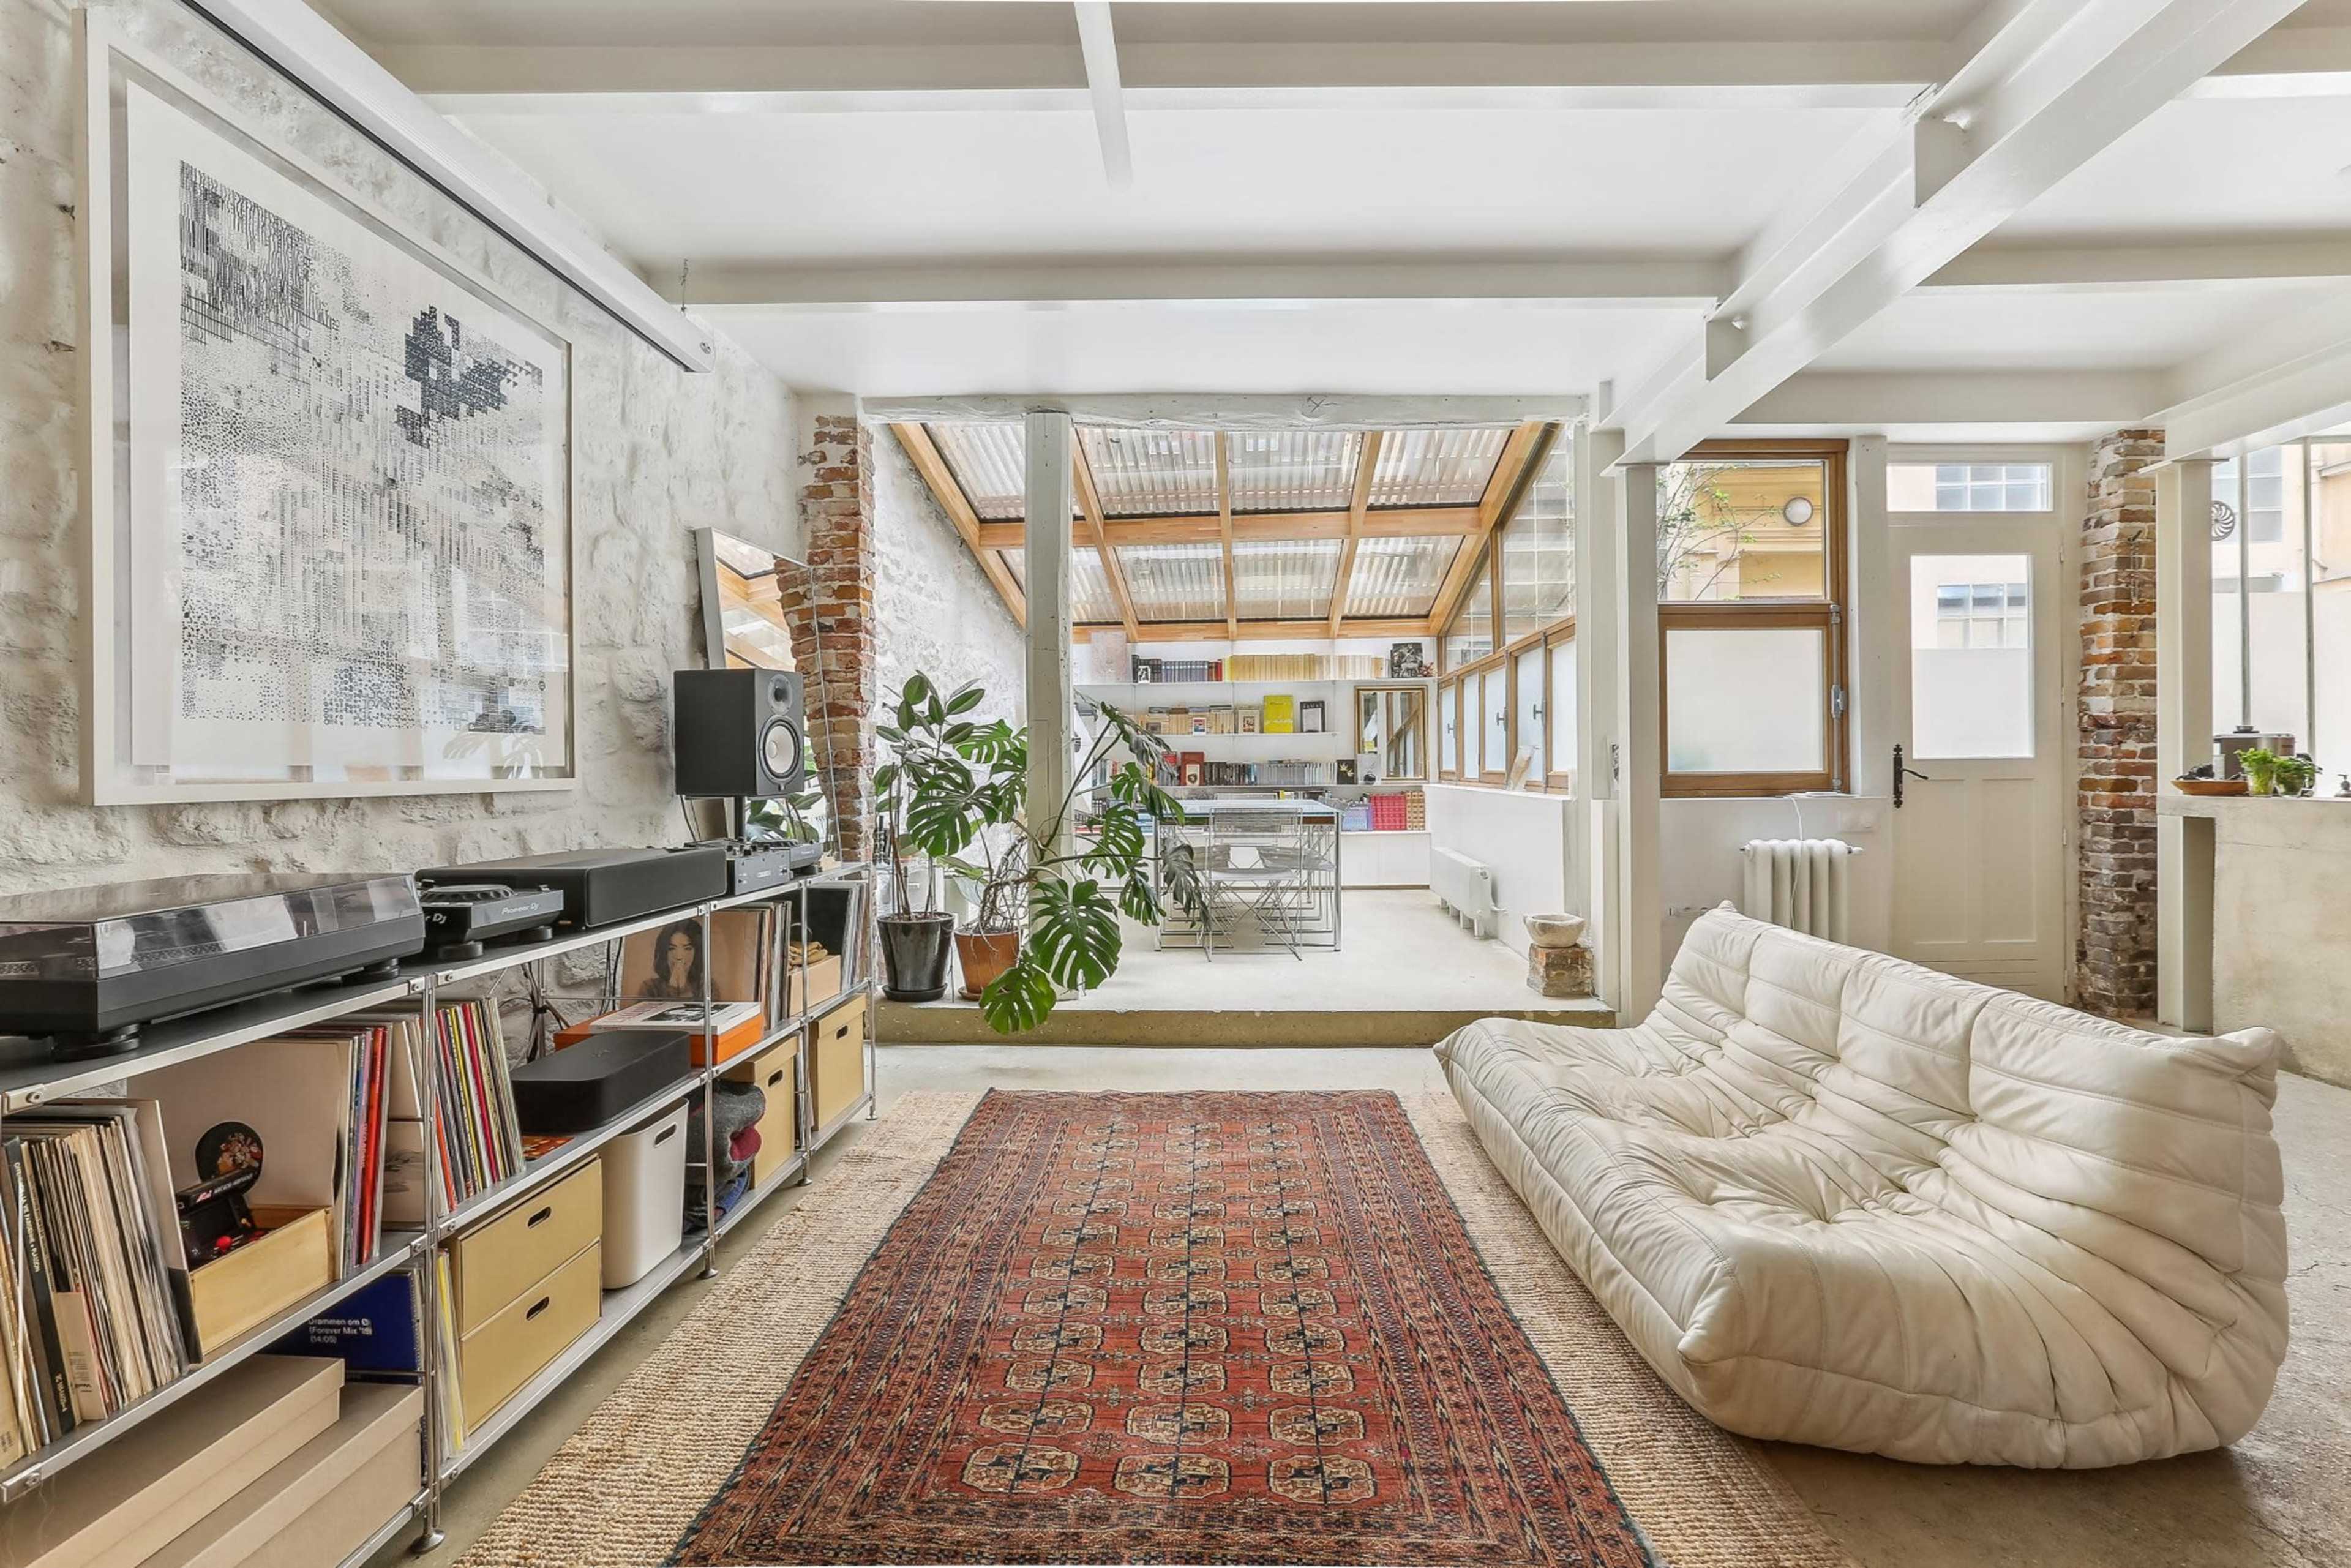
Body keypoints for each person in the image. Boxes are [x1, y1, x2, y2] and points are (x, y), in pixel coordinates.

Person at [637, 920, 703, 1000]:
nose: (679, 957)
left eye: (687, 949)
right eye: (672, 949)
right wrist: (674, 988)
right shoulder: (649, 987)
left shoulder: (705, 986)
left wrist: (683, 989)